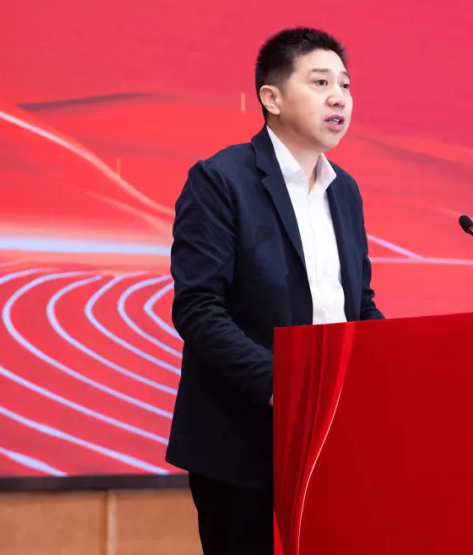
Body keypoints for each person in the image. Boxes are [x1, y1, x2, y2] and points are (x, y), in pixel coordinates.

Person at [165, 27, 384, 555]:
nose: (339, 97)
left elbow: (359, 306)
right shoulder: (220, 180)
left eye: (345, 85)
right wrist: (283, 387)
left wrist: (394, 370)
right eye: (320, 82)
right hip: (244, 447)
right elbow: (198, 309)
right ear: (272, 97)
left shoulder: (345, 192)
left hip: (332, 442)